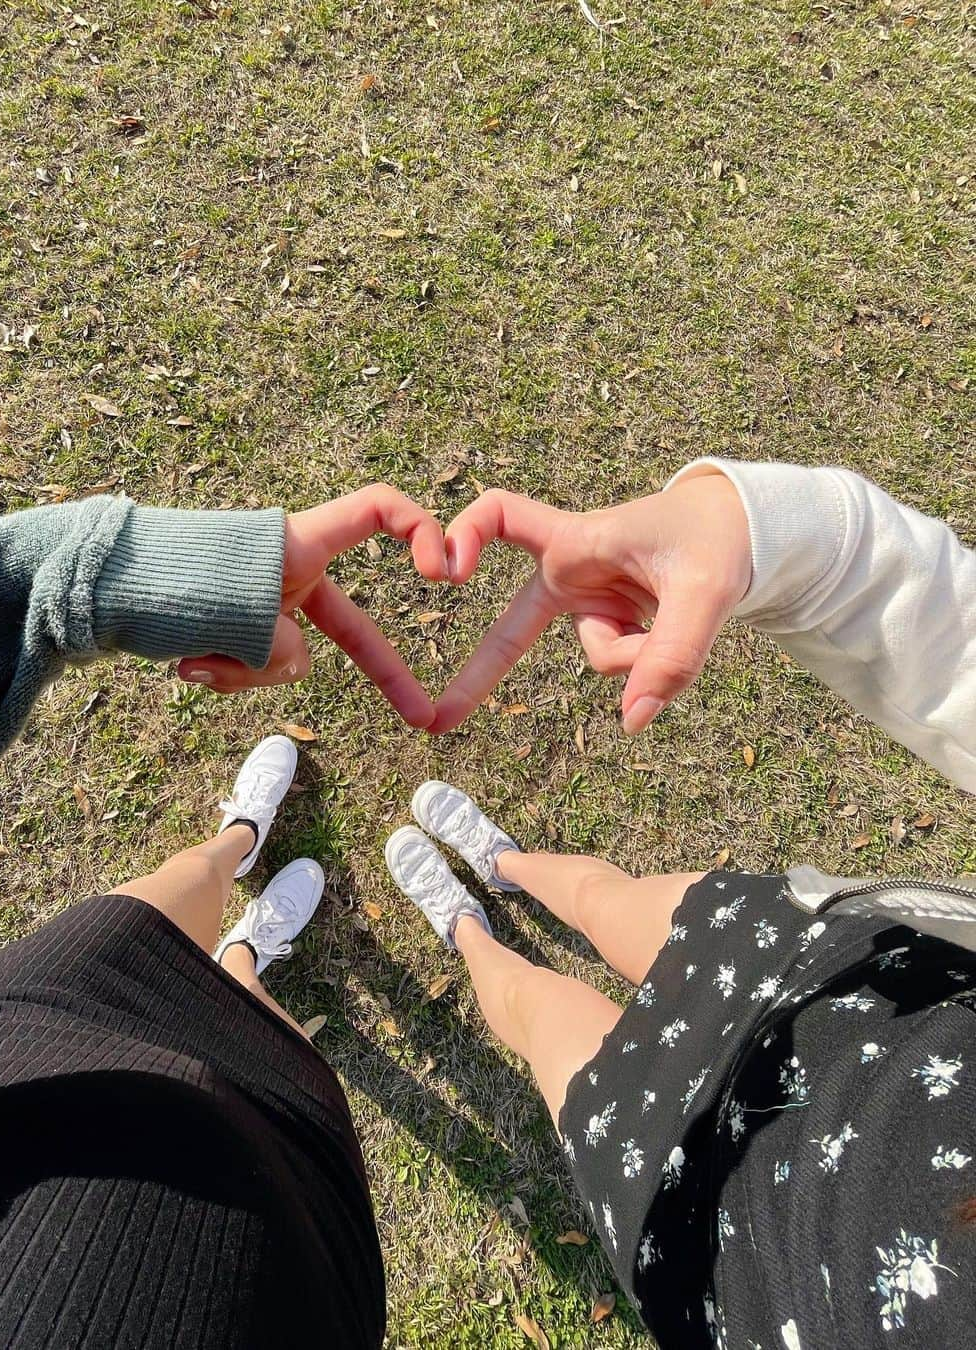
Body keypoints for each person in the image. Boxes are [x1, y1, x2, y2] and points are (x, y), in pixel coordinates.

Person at [385, 458, 976, 1348]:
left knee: (533, 1010)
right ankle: (507, 868)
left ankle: (466, 927)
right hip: (854, 995)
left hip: (718, 1239)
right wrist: (782, 540)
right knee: (605, 898)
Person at [0, 484, 448, 1348]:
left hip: (20, 1058)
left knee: (149, 914)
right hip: (272, 1273)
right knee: (274, 1054)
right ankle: (244, 959)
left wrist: (102, 578)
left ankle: (234, 840)